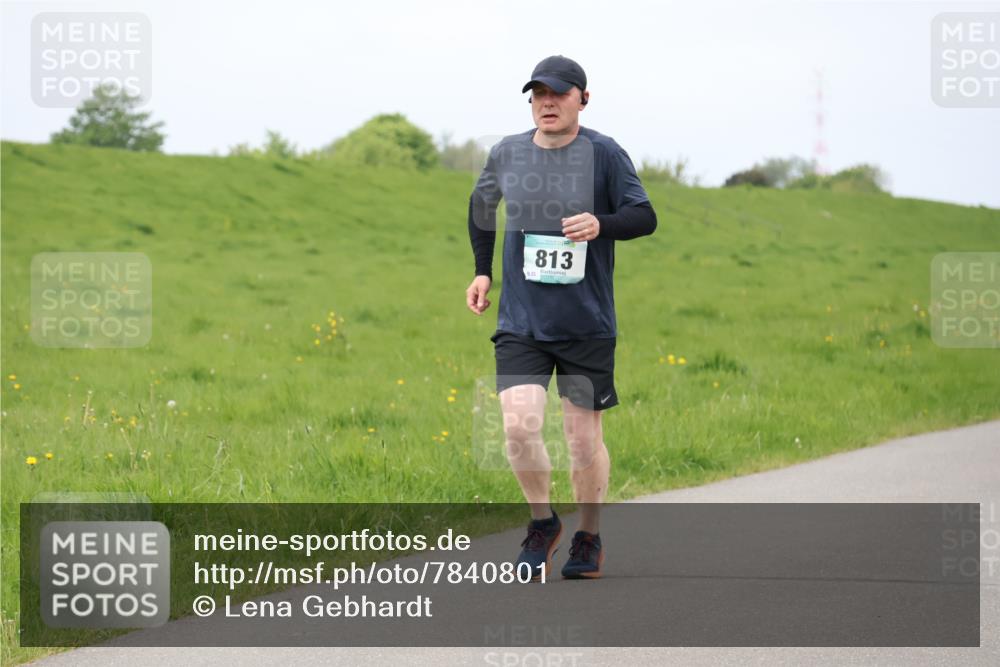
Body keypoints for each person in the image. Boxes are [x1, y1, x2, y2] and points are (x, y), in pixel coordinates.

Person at [465, 55, 657, 581]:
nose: (546, 103)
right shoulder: (507, 152)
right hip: (521, 322)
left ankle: (588, 536)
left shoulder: (605, 154)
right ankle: (543, 522)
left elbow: (645, 216)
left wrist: (602, 223)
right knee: (518, 427)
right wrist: (483, 272)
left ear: (583, 99)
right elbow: (481, 209)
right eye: (538, 94)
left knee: (581, 441)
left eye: (559, 93)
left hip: (585, 324)